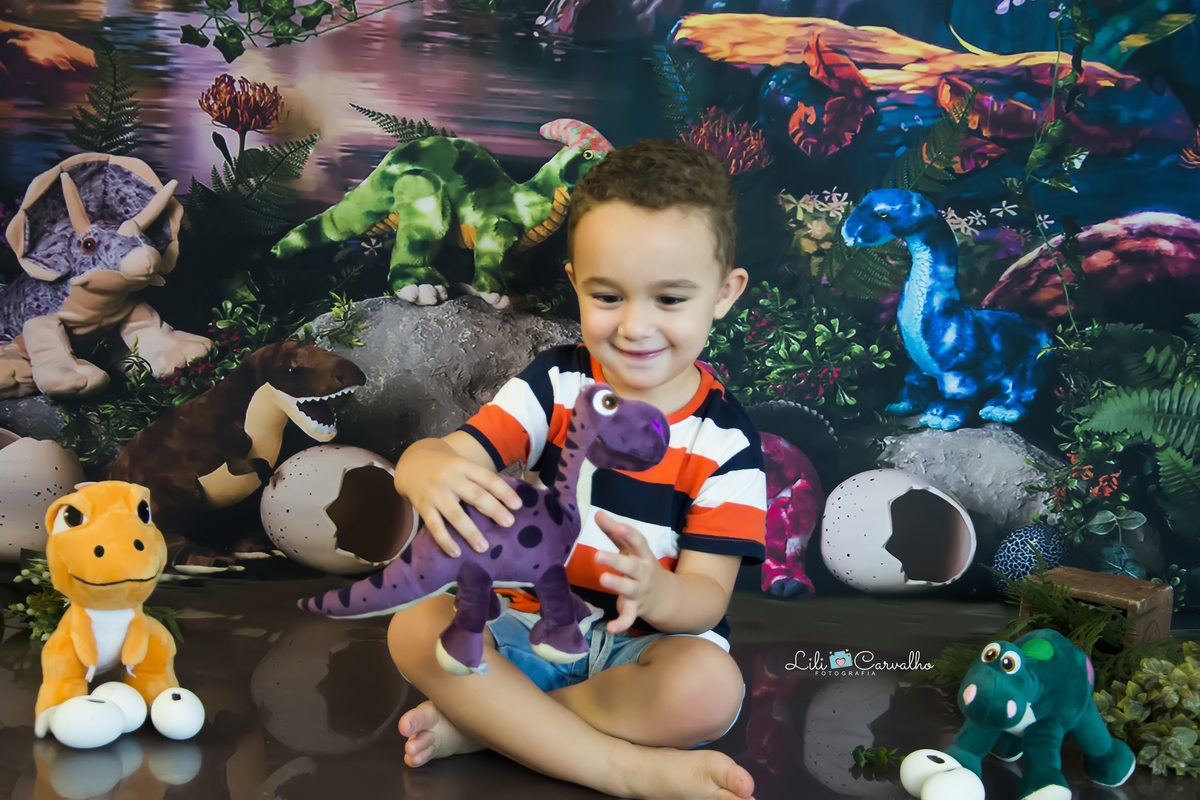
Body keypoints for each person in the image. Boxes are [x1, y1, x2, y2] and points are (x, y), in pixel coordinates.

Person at [387, 138, 765, 800]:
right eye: (608, 296)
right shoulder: (557, 383)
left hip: (641, 653)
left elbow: (707, 596)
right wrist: (422, 466)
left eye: (670, 299)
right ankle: (621, 767)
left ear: (724, 293)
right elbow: (454, 453)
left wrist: (656, 592)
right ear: (574, 283)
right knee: (414, 627)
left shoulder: (725, 441)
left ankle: (492, 726)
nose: (636, 327)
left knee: (709, 690)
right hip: (531, 625)